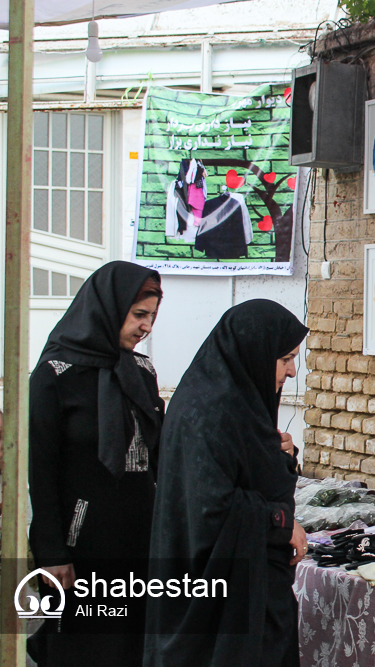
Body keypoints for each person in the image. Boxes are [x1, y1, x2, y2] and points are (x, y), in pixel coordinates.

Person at [143, 300, 308, 667]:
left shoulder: (235, 404)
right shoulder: (210, 413)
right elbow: (210, 508)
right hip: (219, 604)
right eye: (285, 359)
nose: (292, 371)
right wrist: (279, 523)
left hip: (249, 591)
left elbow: (252, 478)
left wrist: (279, 456)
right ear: (254, 354)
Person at [27, 261, 165, 667]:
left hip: (139, 542)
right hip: (81, 546)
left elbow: (162, 449)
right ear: (109, 307)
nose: (147, 327)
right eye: (139, 315)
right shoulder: (55, 374)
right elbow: (41, 471)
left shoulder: (141, 371)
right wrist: (51, 551)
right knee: (85, 647)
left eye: (153, 317)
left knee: (133, 646)